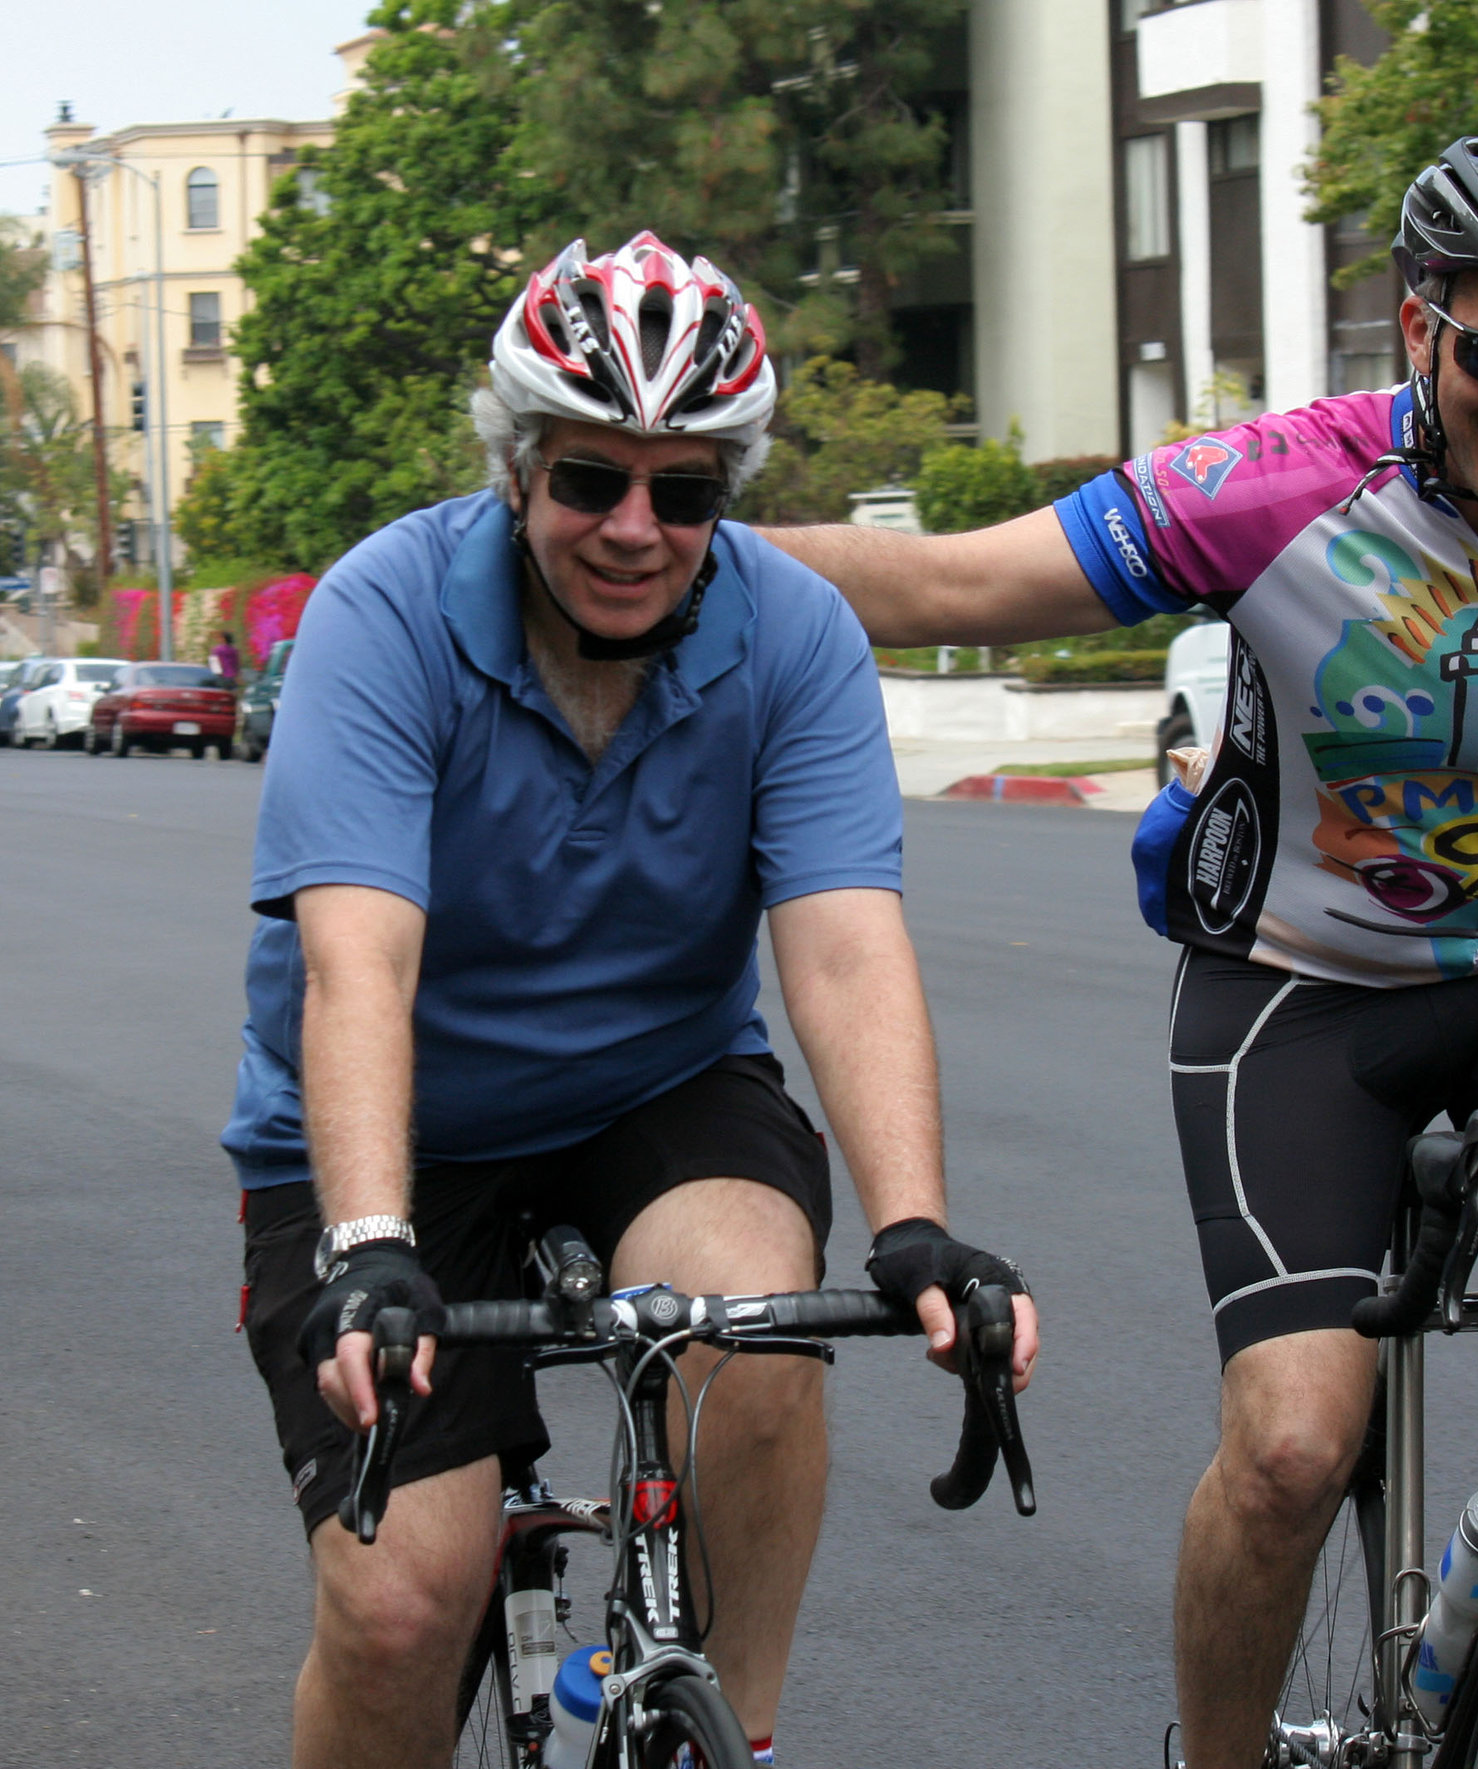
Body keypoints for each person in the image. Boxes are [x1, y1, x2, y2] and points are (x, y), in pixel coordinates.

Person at [763, 125, 1478, 1769]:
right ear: (1417, 319)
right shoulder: (1276, 484)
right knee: (1287, 1452)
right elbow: (946, 579)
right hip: (1296, 991)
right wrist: (679, 538)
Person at [224, 231, 1037, 1769]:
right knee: (408, 1608)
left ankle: (731, 1733)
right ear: (518, 469)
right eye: (593, 480)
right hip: (391, 1132)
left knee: (753, 1340)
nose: (635, 527)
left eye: (686, 491)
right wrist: (371, 1240)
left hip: (655, 1088)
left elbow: (847, 946)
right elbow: (358, 961)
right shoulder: (384, 612)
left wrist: (915, 1219)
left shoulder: (792, 632)